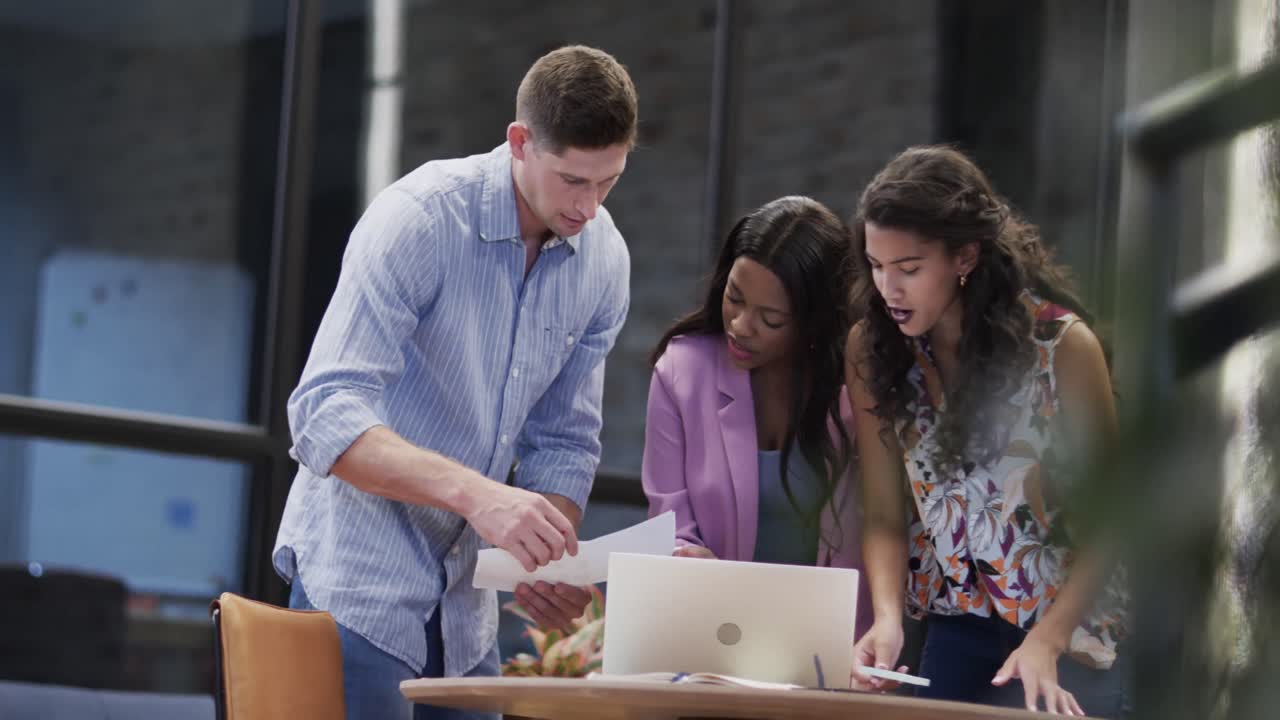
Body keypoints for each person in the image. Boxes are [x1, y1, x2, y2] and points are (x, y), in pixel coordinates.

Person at [273, 45, 638, 720]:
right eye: (572, 180)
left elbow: (564, 442)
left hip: (466, 610)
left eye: (607, 182)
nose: (588, 207)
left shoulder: (605, 260)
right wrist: (481, 497)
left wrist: (543, 554)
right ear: (520, 142)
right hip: (358, 587)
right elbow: (325, 411)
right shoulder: (420, 217)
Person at [845, 146, 1128, 716]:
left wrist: (1046, 641)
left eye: (909, 269)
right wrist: (887, 619)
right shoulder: (870, 350)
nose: (888, 288)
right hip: (957, 627)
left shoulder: (1061, 348)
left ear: (965, 256)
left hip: (1071, 631)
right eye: (876, 266)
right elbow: (882, 515)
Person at [642, 195, 873, 638]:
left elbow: (880, 532)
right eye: (735, 298)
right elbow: (668, 520)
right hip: (711, 629)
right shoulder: (682, 371)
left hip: (830, 638)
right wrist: (688, 557)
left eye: (771, 319)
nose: (741, 326)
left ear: (814, 320)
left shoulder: (856, 386)